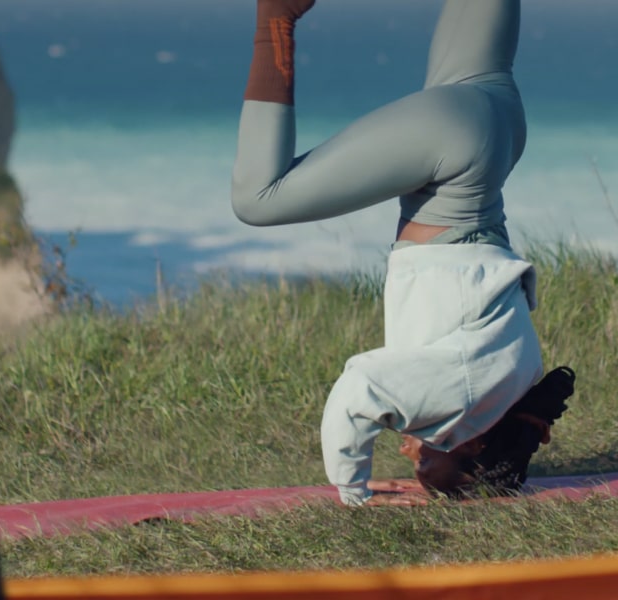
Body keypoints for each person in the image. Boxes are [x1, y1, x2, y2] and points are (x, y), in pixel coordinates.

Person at [230, 0, 574, 507]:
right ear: (473, 441)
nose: (412, 458)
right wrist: (355, 495)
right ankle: (276, 18)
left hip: (495, 122)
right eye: (428, 464)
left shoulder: (513, 383)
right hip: (457, 149)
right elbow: (359, 389)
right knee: (258, 199)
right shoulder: (468, 396)